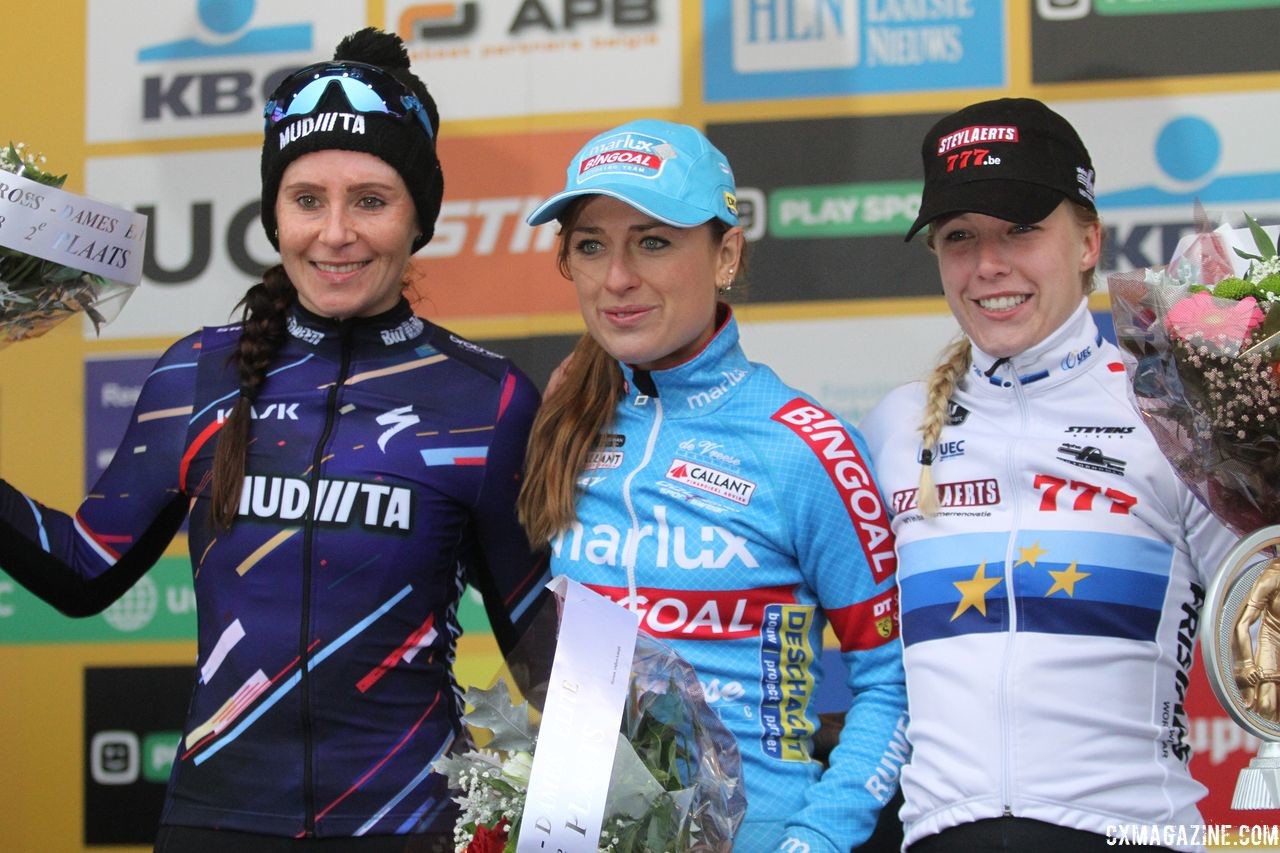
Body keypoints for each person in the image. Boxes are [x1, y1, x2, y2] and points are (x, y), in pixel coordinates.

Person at [0, 28, 549, 851]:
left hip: (407, 827)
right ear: (273, 212)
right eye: (306, 199)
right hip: (215, 825)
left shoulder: (487, 399)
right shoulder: (195, 374)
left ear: (420, 217)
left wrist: (670, 765)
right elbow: (83, 569)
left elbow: (543, 644)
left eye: (370, 199)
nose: (335, 232)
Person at [517, 119, 907, 853]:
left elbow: (894, 685)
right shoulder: (561, 422)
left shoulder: (804, 447)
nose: (617, 277)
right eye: (591, 245)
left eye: (653, 241)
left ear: (725, 252)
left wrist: (816, 841)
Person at [859, 98, 1238, 852]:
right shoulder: (895, 427)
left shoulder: (1175, 410)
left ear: (1090, 239)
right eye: (960, 236)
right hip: (940, 834)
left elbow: (1261, 626)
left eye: (1021, 229)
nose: (988, 265)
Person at [1234, 557, 1280, 721]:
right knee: (1267, 706)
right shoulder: (1271, 577)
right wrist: (1247, 664)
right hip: (1272, 644)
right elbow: (1242, 624)